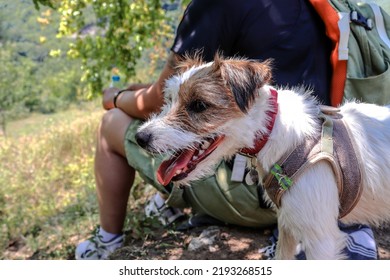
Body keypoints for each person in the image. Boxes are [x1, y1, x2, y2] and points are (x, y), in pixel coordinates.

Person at [74, 0, 358, 260]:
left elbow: (154, 100)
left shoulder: (215, 4)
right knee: (201, 128)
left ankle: (107, 241)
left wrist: (114, 97)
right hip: (323, 173)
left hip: (267, 193)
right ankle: (167, 202)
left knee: (112, 122)